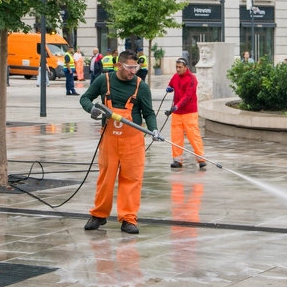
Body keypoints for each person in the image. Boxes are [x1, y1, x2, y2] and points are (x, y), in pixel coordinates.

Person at [79, 50, 157, 235]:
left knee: (131, 180)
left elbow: (149, 113)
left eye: (136, 67)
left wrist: (154, 129)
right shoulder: (103, 80)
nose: (133, 71)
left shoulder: (141, 86)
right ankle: (99, 215)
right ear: (119, 65)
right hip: (109, 139)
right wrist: (91, 109)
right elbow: (85, 98)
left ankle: (128, 218)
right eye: (130, 67)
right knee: (105, 178)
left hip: (133, 140)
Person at [166, 57, 205, 169]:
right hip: (177, 113)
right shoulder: (175, 77)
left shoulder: (192, 78)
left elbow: (188, 95)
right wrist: (169, 88)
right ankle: (177, 160)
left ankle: (201, 159)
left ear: (186, 67)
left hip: (189, 112)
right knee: (176, 136)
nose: (177, 69)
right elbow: (171, 85)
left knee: (193, 135)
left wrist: (177, 105)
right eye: (176, 67)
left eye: (180, 67)